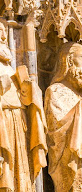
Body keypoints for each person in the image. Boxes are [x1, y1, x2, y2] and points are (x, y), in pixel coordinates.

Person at [0, 15, 47, 191]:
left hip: (18, 123)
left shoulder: (8, 67)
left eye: (5, 32)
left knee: (20, 173)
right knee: (4, 170)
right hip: (1, 123)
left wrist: (27, 91)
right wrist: (0, 84)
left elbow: (21, 99)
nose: (4, 37)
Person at [45, 42, 82, 191]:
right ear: (68, 61)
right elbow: (56, 129)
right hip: (69, 161)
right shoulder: (55, 91)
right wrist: (79, 109)